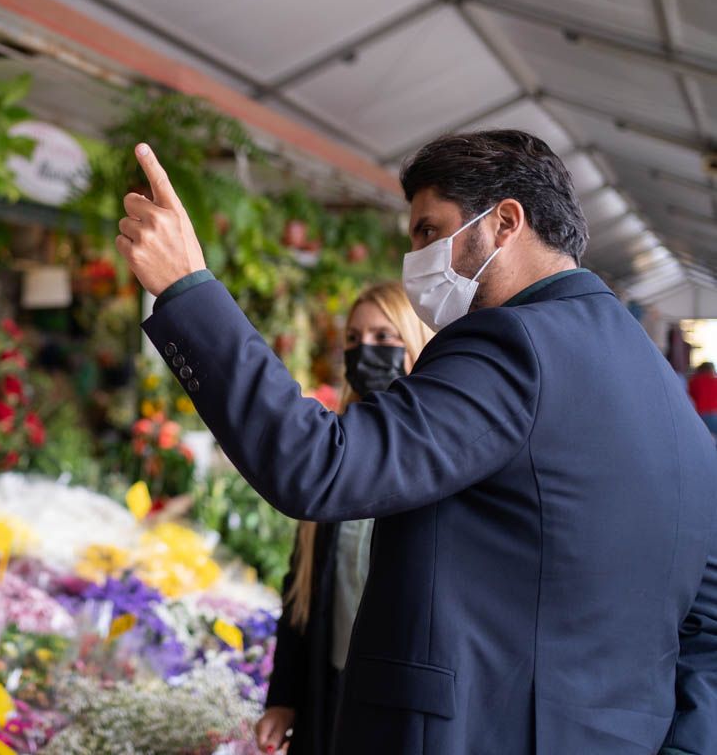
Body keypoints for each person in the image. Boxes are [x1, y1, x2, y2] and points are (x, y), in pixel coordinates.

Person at [117, 131, 717, 754]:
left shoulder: (515, 345)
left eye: (430, 231)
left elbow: (319, 465)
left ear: (506, 222)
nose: (416, 259)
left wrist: (187, 288)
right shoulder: (666, 395)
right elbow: (708, 620)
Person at [256, 282, 433, 755]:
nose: (365, 351)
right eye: (353, 340)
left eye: (382, 336)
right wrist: (283, 700)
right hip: (331, 690)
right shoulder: (336, 451)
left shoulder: (437, 456)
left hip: (400, 708)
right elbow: (302, 591)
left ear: (415, 340)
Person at [690, 361, 717, 438]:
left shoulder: (694, 381)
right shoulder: (715, 381)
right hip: (713, 415)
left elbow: (690, 397)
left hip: (699, 416)